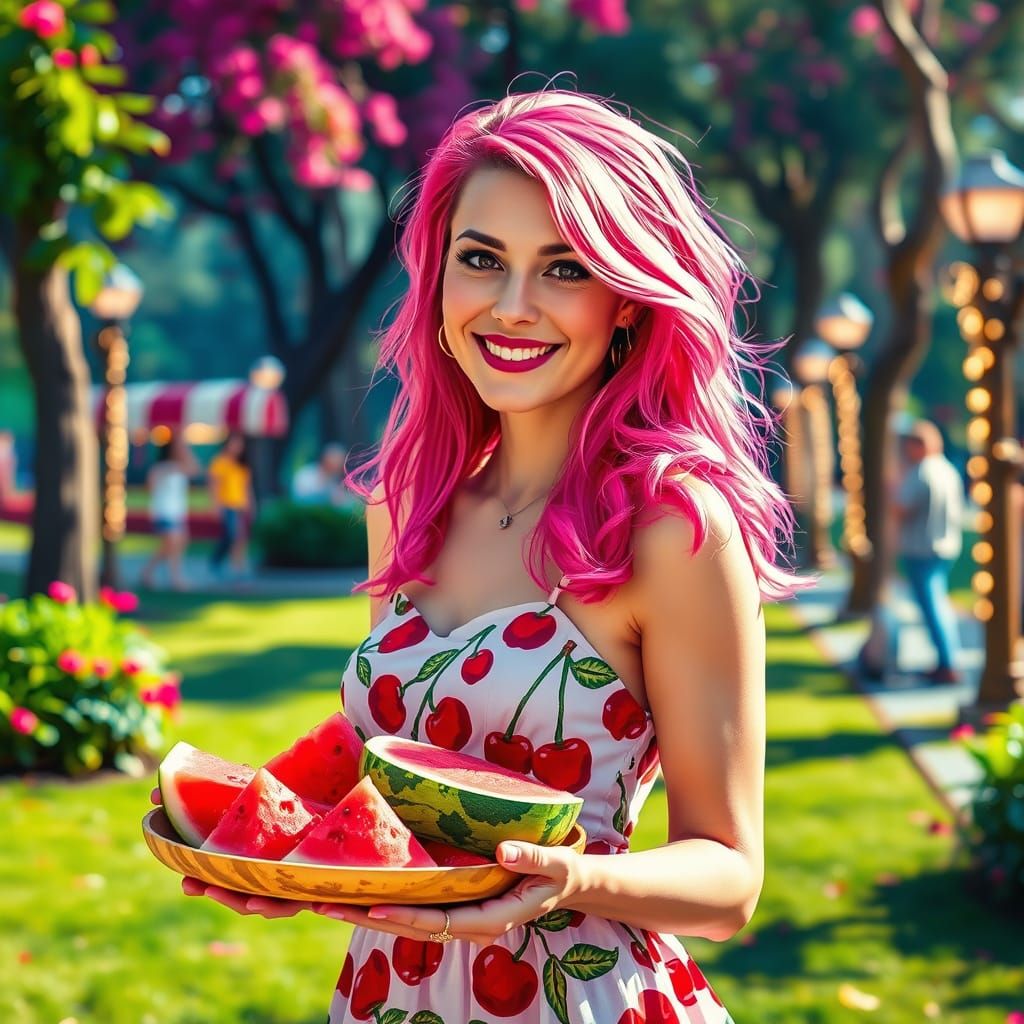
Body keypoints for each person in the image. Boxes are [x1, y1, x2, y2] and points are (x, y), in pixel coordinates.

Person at [167, 89, 805, 1022]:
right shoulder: (405, 501)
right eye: (481, 260)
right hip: (388, 991)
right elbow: (399, 777)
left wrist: (567, 879)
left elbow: (729, 875)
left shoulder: (672, 528)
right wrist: (281, 849)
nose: (512, 308)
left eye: (565, 269)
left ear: (628, 300)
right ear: (437, 280)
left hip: (579, 994)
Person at [893, 419, 965, 684]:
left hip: (922, 548)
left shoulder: (921, 472)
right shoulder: (948, 469)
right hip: (945, 546)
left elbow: (900, 507)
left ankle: (947, 662)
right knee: (939, 605)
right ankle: (947, 659)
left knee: (933, 608)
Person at [140, 434, 198, 591]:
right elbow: (150, 487)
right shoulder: (161, 468)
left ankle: (149, 572)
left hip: (177, 512)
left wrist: (184, 447)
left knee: (173, 545)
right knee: (171, 543)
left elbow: (195, 469)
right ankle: (175, 578)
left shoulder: (179, 467)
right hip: (163, 511)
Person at [207, 433, 252, 577]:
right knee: (231, 535)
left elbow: (246, 487)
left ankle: (238, 565)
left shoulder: (241, 465)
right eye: (234, 443)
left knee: (241, 537)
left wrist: (250, 504)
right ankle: (220, 562)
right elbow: (214, 485)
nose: (237, 447)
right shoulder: (219, 462)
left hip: (240, 505)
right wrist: (216, 505)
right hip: (227, 504)